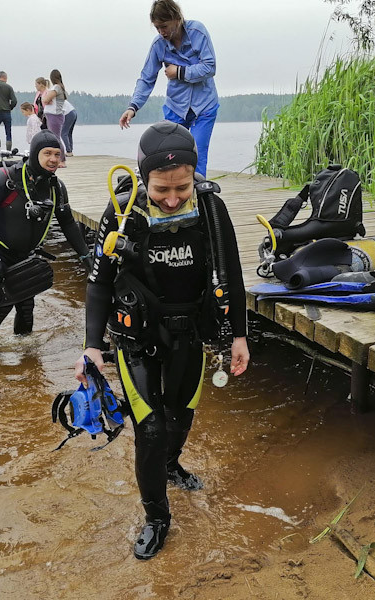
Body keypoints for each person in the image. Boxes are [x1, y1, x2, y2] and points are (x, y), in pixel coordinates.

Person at [74, 122, 249, 559]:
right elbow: (98, 285)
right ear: (143, 177)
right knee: (150, 429)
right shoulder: (122, 212)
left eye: (182, 188)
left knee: (180, 418)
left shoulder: (209, 210)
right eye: (161, 190)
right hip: (137, 341)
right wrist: (92, 345)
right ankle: (156, 518)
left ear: (194, 176)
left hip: (189, 335)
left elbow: (234, 275)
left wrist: (240, 336)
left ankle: (171, 466)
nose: (172, 199)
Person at [0, 130, 91, 341]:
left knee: (27, 305)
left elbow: (68, 225)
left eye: (57, 154)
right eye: (47, 153)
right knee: (4, 303)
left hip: (26, 254)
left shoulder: (56, 188)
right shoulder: (4, 178)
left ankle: (26, 353)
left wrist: (86, 256)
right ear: (35, 153)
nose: (53, 159)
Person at [119, 0, 219, 177]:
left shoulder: (198, 32)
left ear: (176, 18)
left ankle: (196, 200)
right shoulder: (158, 45)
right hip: (176, 106)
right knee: (170, 155)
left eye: (164, 26)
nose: (161, 32)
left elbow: (210, 67)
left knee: (197, 154)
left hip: (204, 106)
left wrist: (179, 72)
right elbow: (146, 78)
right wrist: (133, 107)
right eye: (157, 28)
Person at [41, 69, 68, 165]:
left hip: (54, 115)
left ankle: (62, 160)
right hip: (52, 115)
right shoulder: (59, 88)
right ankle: (57, 158)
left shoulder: (56, 87)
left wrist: (45, 98)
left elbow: (45, 99)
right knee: (53, 137)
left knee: (56, 138)